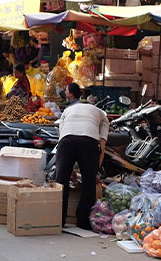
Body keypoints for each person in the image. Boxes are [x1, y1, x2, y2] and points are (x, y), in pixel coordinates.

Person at [55, 83, 108, 230]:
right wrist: (94, 171)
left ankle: (59, 220)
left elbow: (62, 135)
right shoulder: (102, 115)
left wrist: (68, 169)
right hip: (88, 141)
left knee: (61, 181)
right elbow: (101, 148)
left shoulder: (68, 110)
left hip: (66, 140)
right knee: (88, 183)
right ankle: (83, 222)